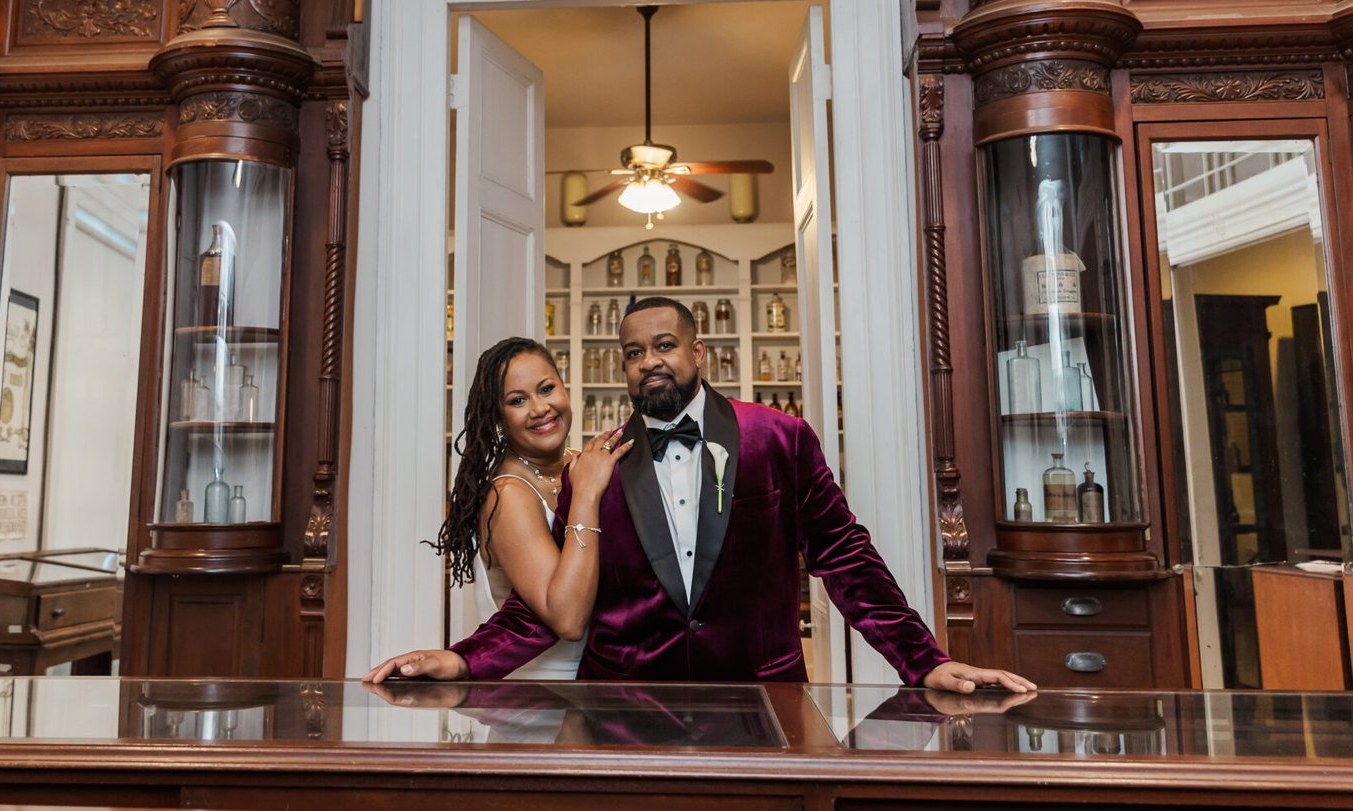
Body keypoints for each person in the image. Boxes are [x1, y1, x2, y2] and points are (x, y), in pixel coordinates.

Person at [367, 297, 1031, 695]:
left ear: (700, 350)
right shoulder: (593, 466)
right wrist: (461, 656)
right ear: (620, 366)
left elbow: (847, 559)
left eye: (664, 345)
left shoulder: (781, 437)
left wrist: (925, 663)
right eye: (633, 352)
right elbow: (548, 608)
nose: (649, 360)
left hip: (764, 703)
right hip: (623, 714)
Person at [428, 336, 632, 679]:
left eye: (547, 389)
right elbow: (567, 618)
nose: (540, 408)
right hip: (539, 691)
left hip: (599, 680)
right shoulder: (507, 494)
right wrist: (584, 495)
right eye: (518, 400)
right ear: (498, 415)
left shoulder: (582, 465)